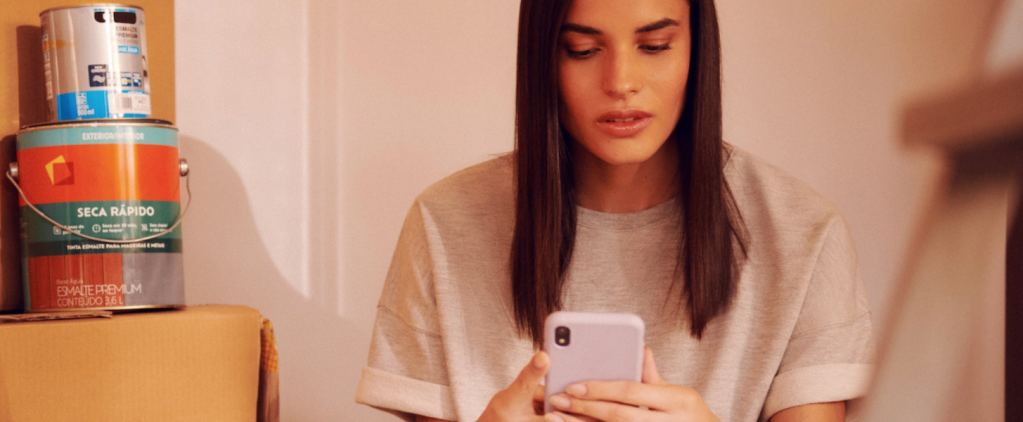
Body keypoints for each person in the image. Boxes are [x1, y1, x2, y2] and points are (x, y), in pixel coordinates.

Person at [355, 0, 875, 421]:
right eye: (582, 50)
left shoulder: (805, 237)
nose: (621, 81)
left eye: (654, 45)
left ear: (697, 46)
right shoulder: (443, 226)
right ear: (543, 59)